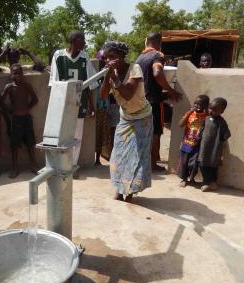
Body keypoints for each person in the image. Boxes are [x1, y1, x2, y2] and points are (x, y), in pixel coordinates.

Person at [100, 41, 153, 203]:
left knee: (136, 157)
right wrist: (108, 76)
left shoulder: (134, 69)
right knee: (118, 155)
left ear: (122, 56)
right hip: (125, 117)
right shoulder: (111, 73)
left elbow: (128, 94)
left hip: (142, 118)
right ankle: (119, 188)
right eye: (106, 58)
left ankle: (129, 192)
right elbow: (102, 95)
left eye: (112, 56)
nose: (109, 60)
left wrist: (114, 78)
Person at [49, 30, 98, 175]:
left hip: (79, 103)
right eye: (82, 40)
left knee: (77, 136)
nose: (84, 42)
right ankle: (60, 164)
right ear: (74, 41)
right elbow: (55, 83)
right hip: (63, 103)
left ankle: (72, 166)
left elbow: (89, 83)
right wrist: (55, 106)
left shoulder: (84, 58)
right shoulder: (58, 56)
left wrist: (91, 105)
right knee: (61, 136)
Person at [135, 32, 181, 171]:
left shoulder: (140, 57)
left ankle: (143, 161)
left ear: (146, 41)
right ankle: (153, 163)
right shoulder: (157, 55)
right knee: (156, 132)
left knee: (142, 131)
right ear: (159, 42)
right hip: (154, 101)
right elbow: (157, 73)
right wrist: (170, 90)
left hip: (140, 101)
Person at [0, 63, 39, 178]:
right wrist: (10, 111)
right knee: (14, 145)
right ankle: (15, 168)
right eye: (15, 73)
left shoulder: (26, 85)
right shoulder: (9, 87)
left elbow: (35, 99)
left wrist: (27, 108)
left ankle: (34, 166)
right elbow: (1, 101)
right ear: (11, 74)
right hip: (16, 119)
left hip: (26, 118)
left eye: (19, 73)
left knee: (30, 144)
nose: (18, 75)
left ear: (22, 73)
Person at [198, 97, 231, 192]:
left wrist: (220, 140)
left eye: (215, 110)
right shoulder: (206, 119)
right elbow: (201, 129)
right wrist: (198, 137)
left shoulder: (222, 122)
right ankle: (206, 182)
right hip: (204, 147)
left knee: (213, 166)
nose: (211, 111)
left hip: (215, 149)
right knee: (202, 164)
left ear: (222, 111)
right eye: (210, 108)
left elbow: (227, 134)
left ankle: (212, 182)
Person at [178, 95, 209, 187]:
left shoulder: (206, 116)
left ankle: (191, 179)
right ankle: (183, 179)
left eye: (200, 104)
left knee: (194, 163)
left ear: (205, 106)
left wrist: (206, 111)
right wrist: (189, 113)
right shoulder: (190, 113)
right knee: (184, 162)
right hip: (186, 143)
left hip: (197, 144)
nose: (197, 106)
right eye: (195, 103)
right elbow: (181, 124)